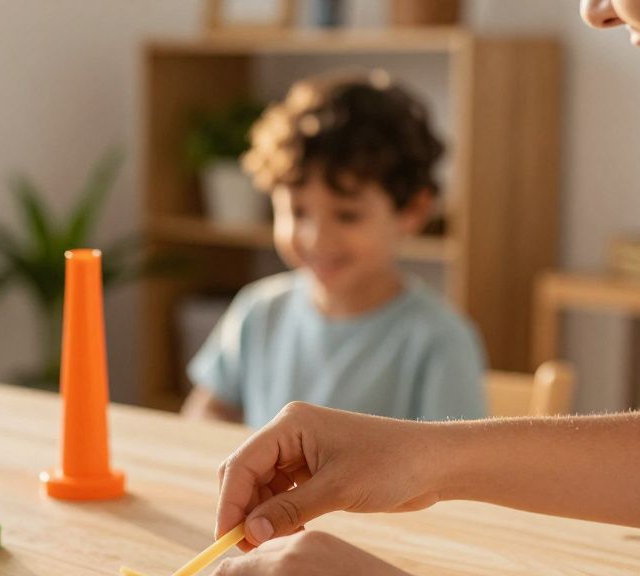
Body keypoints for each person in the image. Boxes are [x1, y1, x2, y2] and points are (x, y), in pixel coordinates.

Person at [172, 1, 640, 576]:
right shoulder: (261, 307)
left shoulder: (432, 332)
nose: (592, 9)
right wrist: (428, 456)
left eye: (343, 212)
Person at [181, 73, 486, 427]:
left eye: (347, 215)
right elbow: (206, 410)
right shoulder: (259, 311)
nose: (316, 239)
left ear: (412, 211)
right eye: (297, 211)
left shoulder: (438, 340)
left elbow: (457, 471)